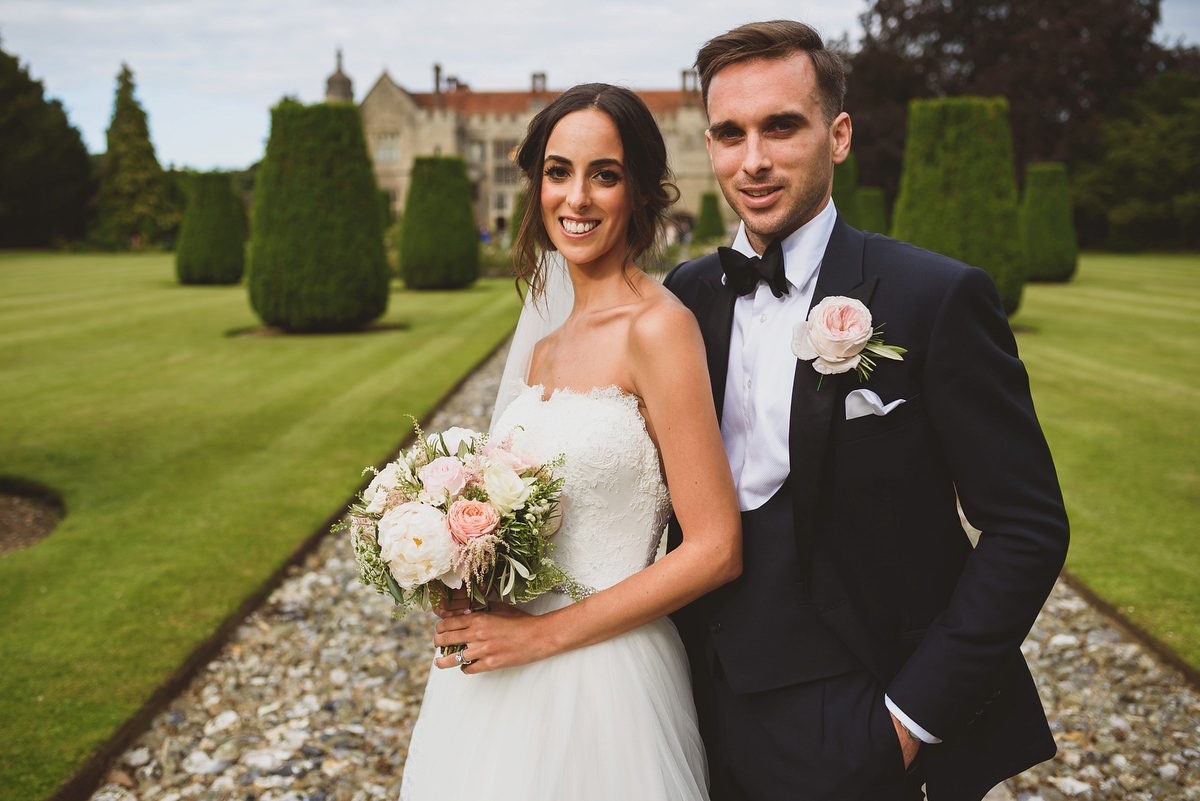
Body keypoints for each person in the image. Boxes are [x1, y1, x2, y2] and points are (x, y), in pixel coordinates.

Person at [662, 20, 1071, 801]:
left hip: (857, 712)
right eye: (729, 132)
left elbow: (1027, 525)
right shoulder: (685, 297)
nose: (753, 159)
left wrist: (908, 720)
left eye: (781, 126)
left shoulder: (934, 297)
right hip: (691, 709)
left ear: (838, 134)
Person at [398, 84, 742, 801]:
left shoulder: (659, 328)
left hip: (605, 677)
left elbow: (716, 547)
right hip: (497, 674)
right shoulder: (544, 349)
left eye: (604, 174)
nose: (576, 197)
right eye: (559, 172)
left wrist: (545, 637)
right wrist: (460, 575)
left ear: (640, 190)